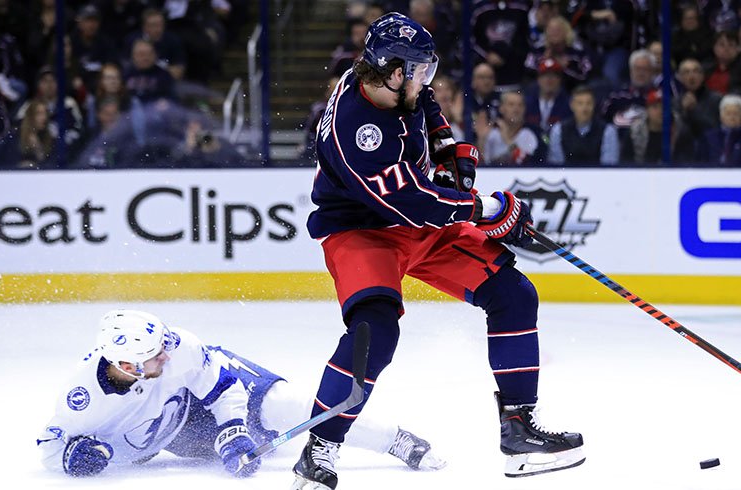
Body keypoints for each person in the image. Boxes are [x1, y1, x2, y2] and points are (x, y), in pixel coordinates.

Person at [297, 11, 584, 490]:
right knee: (376, 330)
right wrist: (485, 208)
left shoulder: (383, 79)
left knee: (513, 294)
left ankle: (518, 432)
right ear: (392, 72)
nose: (427, 79)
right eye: (419, 70)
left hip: (418, 221)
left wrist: (448, 147)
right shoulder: (358, 132)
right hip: (363, 231)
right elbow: (411, 201)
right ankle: (319, 448)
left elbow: (426, 103)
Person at [37, 309, 445, 478]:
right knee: (261, 439)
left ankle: (396, 440)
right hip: (177, 434)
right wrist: (75, 457)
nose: (167, 351)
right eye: (154, 354)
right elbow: (50, 446)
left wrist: (232, 429)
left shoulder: (179, 349)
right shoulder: (82, 398)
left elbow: (222, 388)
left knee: (285, 407)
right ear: (126, 367)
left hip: (210, 391)